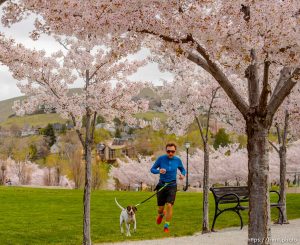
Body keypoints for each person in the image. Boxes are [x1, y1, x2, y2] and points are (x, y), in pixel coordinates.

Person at [150, 143, 186, 233]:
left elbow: (183, 169)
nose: (170, 153)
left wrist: (183, 174)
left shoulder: (177, 160)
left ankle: (166, 226)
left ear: (175, 151)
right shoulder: (161, 159)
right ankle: (161, 215)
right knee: (160, 209)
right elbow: (152, 169)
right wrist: (159, 171)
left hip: (172, 186)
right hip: (162, 185)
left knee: (169, 205)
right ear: (166, 151)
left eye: (172, 151)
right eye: (168, 151)